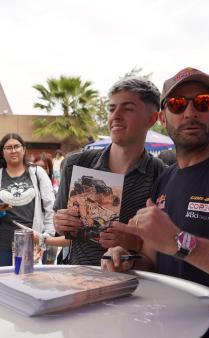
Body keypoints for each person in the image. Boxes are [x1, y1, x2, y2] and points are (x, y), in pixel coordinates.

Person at [102, 67, 209, 338]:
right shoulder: (165, 180)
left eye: (202, 102)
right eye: (177, 105)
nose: (190, 113)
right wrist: (124, 261)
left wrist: (180, 241)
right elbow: (153, 262)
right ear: (163, 117)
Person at [54, 78, 165, 266]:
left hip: (131, 287)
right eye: (112, 108)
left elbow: (163, 251)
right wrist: (61, 222)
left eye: (127, 108)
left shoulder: (161, 175)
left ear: (152, 119)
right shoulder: (76, 163)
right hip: (76, 282)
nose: (116, 116)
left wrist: (134, 243)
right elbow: (62, 229)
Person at [0, 133, 55, 267]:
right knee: (6, 284)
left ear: (24, 149)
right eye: (8, 148)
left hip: (34, 241)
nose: (13, 150)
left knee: (32, 285)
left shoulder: (37, 173)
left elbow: (51, 208)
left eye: (16, 146)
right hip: (3, 244)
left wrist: (46, 236)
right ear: (2, 152)